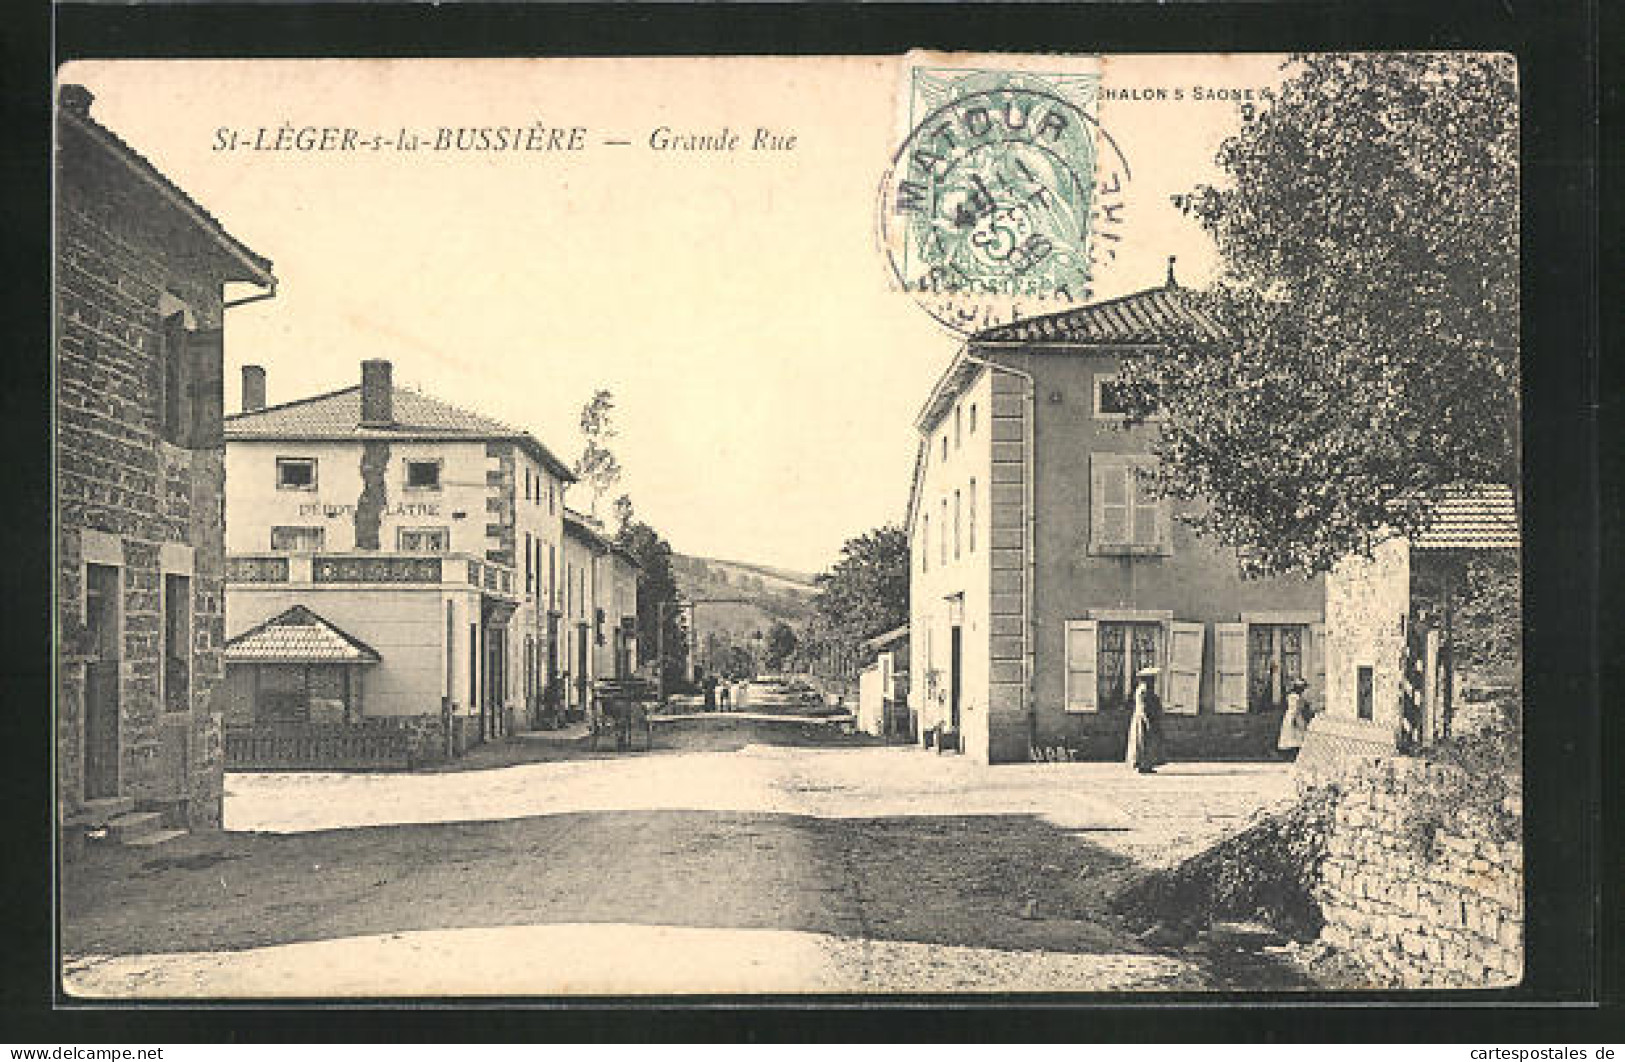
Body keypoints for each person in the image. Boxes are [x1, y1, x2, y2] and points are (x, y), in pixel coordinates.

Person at [1125, 668, 1165, 774]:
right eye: (1152, 678)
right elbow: (1144, 706)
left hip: (1146, 718)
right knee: (1143, 742)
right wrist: (1147, 720)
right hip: (1144, 719)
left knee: (1146, 743)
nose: (1154, 681)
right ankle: (1141, 765)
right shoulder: (1143, 690)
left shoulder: (1144, 689)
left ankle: (1147, 765)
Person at [1277, 678, 1316, 761]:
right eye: (1302, 688)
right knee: (1295, 733)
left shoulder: (1296, 696)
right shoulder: (1295, 697)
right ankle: (1292, 752)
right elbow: (1295, 708)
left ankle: (1295, 752)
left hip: (1294, 715)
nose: (1303, 690)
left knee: (1297, 734)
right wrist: (1294, 719)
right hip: (1294, 715)